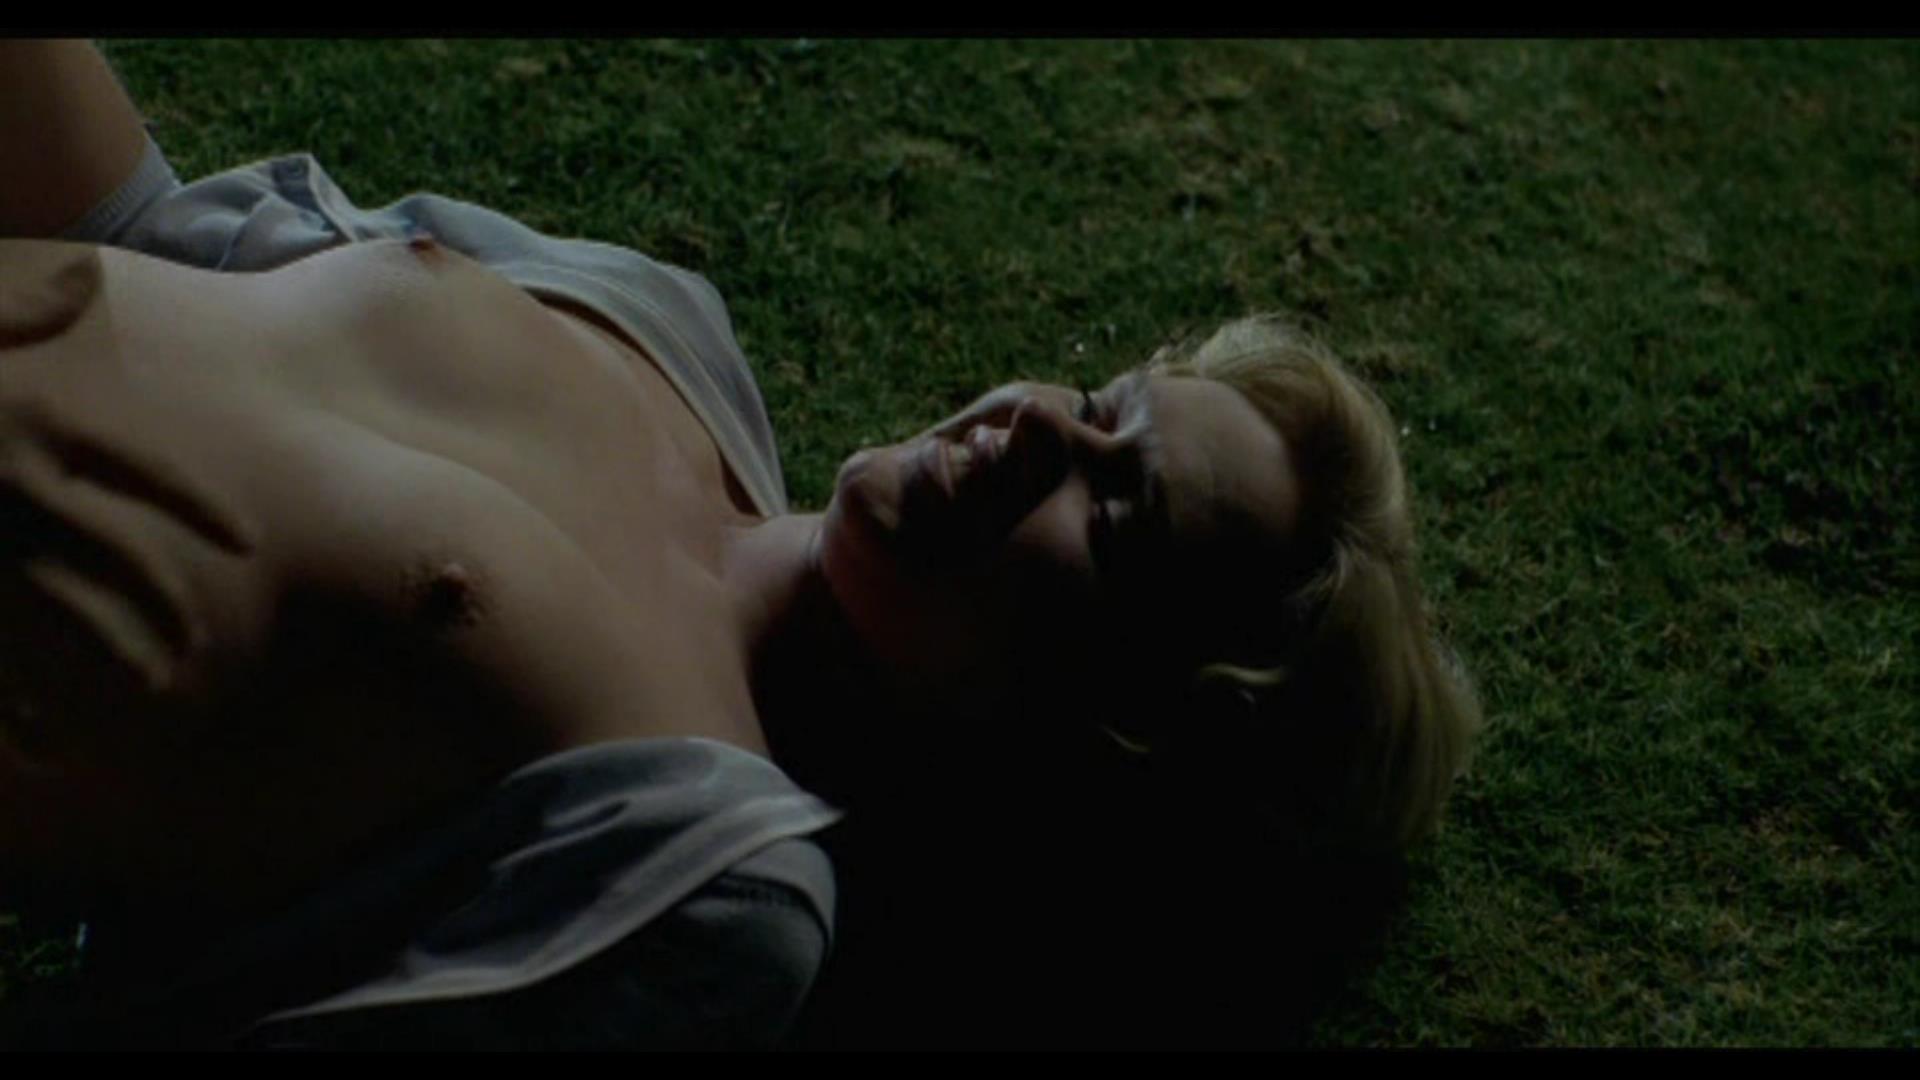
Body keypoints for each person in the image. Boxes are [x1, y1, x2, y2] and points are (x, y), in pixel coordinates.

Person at [0, 41, 1480, 1049]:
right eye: (1099, 405)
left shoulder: (711, 895)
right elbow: (150, 243)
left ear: (1113, 743)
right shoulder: (660, 327)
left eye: (1116, 506)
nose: (1036, 424)